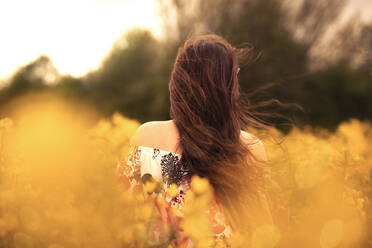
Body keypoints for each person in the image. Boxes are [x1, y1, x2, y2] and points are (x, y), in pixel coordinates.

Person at [116, 34, 289, 247]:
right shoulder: (252, 148)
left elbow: (122, 224)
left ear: (178, 84)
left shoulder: (149, 137)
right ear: (230, 87)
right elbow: (264, 235)